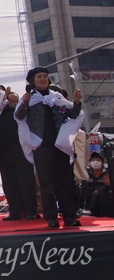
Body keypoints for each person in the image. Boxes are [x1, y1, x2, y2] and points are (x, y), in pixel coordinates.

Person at [15, 66, 84, 228]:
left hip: (59, 145)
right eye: (39, 77)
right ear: (33, 81)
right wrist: (24, 103)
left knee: (64, 183)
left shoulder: (56, 96)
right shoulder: (29, 98)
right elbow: (19, 116)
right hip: (41, 146)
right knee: (46, 185)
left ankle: (69, 216)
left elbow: (73, 114)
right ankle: (51, 217)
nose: (42, 79)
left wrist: (76, 102)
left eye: (44, 76)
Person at [0, 90, 38, 221]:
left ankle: (30, 211)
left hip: (21, 152)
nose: (14, 103)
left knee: (26, 184)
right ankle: (14, 211)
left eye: (15, 100)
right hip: (2, 154)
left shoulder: (17, 111)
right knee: (9, 185)